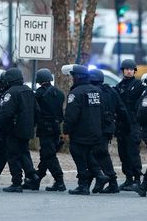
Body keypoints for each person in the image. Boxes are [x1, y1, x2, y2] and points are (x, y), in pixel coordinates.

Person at [62, 64, 108, 195]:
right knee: (88, 155)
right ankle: (99, 175)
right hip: (96, 130)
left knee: (79, 155)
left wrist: (66, 130)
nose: (71, 79)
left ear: (77, 77)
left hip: (80, 132)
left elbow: (71, 116)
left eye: (72, 76)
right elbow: (103, 111)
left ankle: (83, 185)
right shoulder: (97, 91)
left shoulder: (75, 93)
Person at [0, 68, 40, 193]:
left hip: (14, 130)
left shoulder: (10, 93)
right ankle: (32, 175)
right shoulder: (29, 91)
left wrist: (1, 126)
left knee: (13, 156)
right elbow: (37, 111)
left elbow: (6, 113)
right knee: (24, 153)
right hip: (27, 129)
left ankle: (16, 182)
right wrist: (32, 124)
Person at [89, 69, 131, 193]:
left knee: (99, 153)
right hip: (109, 127)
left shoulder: (93, 92)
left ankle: (110, 181)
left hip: (98, 127)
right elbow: (122, 110)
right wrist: (127, 127)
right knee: (98, 153)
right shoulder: (111, 91)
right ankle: (100, 181)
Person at [33, 68, 66, 192]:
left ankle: (59, 180)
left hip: (44, 128)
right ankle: (37, 178)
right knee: (46, 154)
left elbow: (35, 111)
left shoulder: (38, 95)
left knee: (49, 155)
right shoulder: (60, 93)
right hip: (56, 127)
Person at [114, 59, 145, 190]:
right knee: (123, 152)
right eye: (126, 69)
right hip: (121, 124)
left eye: (131, 69)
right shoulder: (120, 85)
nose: (129, 71)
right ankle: (128, 178)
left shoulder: (138, 85)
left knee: (133, 152)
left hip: (134, 123)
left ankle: (137, 179)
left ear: (134, 71)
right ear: (123, 71)